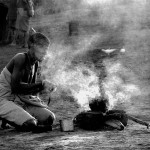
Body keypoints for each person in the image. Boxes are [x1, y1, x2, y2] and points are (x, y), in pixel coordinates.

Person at [0, 32, 55, 132]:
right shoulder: (20, 58)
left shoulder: (36, 64)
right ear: (32, 46)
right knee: (30, 124)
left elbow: (29, 91)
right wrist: (41, 84)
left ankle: (14, 116)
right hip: (3, 100)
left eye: (46, 48)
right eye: (41, 47)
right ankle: (5, 117)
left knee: (49, 118)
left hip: (20, 100)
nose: (45, 52)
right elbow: (15, 87)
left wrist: (44, 88)